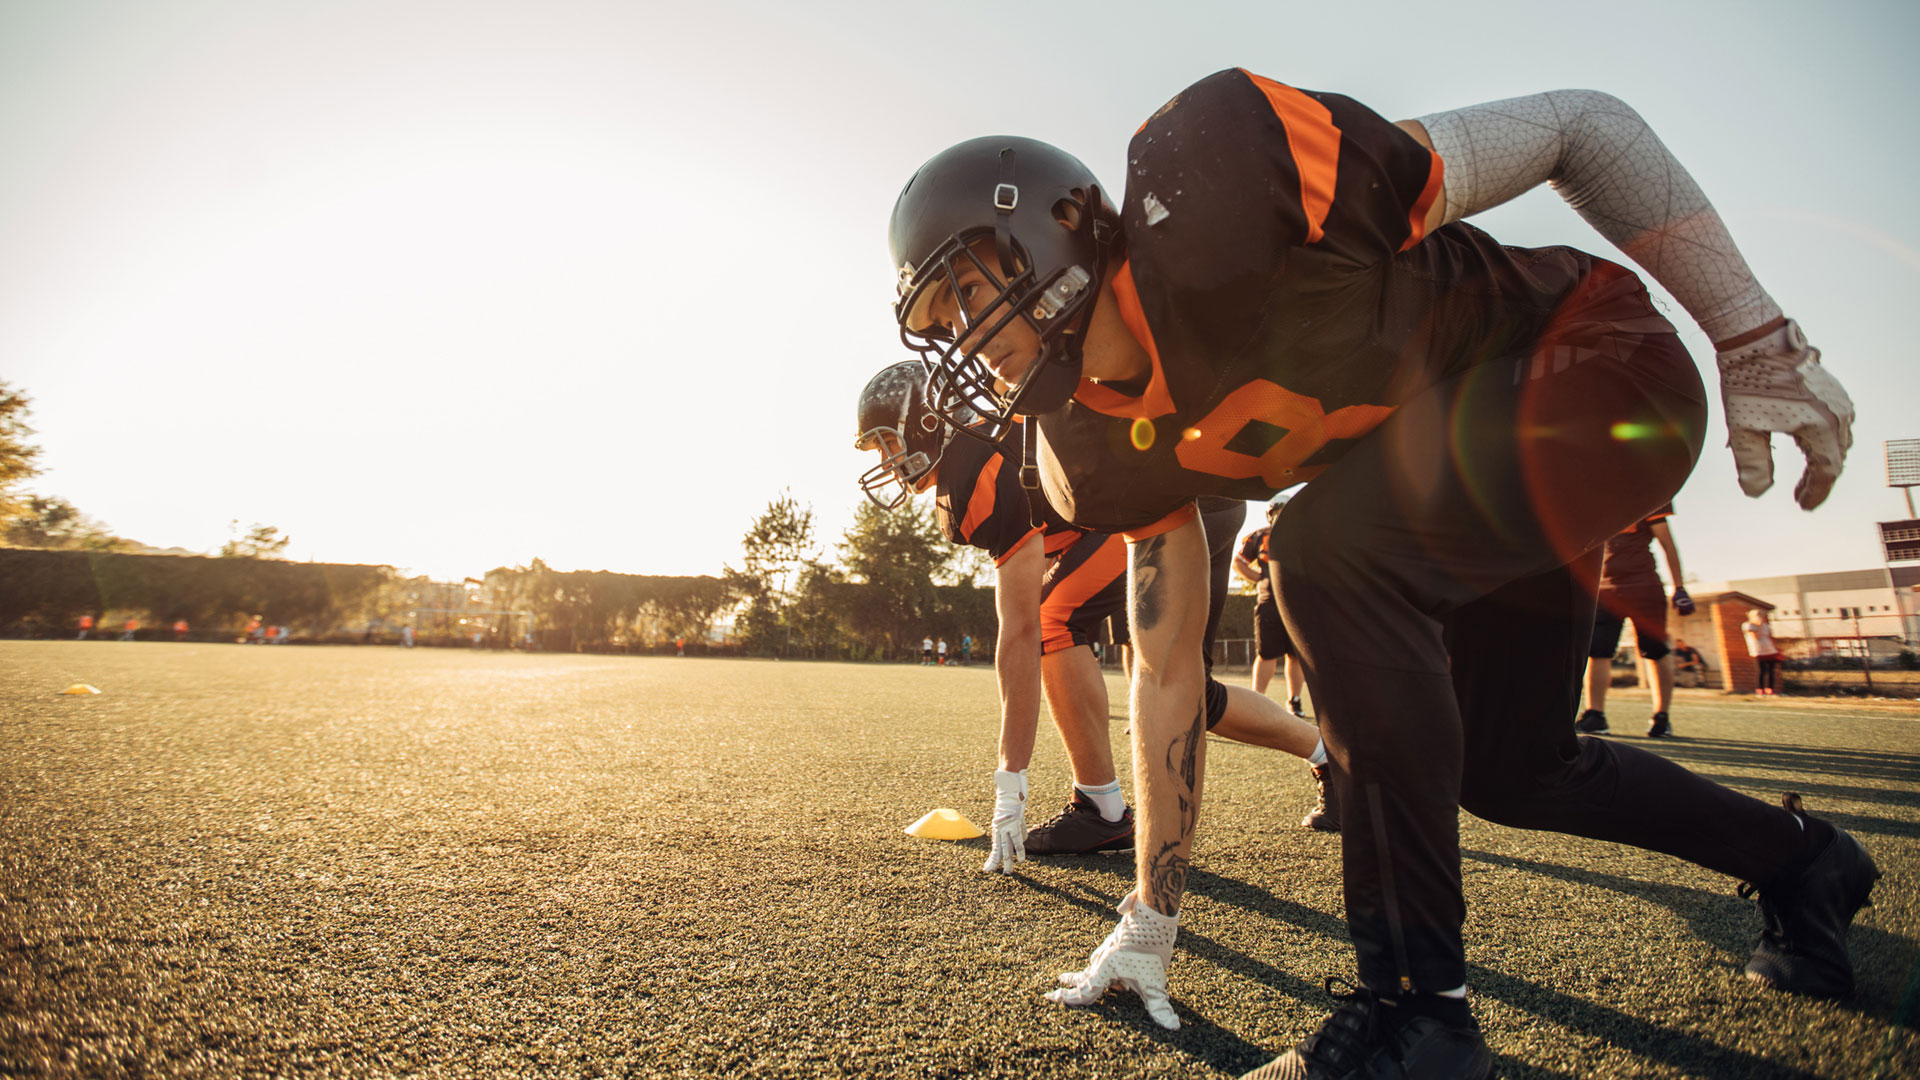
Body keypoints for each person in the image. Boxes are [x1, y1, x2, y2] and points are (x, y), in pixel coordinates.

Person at [887, 72, 1873, 1075]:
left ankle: (1416, 1021)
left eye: (966, 290)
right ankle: (1803, 863)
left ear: (1057, 224)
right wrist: (1153, 913)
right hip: (1478, 478)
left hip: (1600, 361)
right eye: (939, 319)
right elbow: (1167, 671)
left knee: (1324, 553)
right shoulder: (1091, 444)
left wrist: (1753, 336)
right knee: (1513, 769)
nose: (965, 339)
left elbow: (1582, 125)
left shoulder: (1219, 175)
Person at [856, 362, 1334, 870]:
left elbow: (1020, 630)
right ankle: (1334, 759)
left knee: (1054, 616)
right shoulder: (981, 449)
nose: (887, 460)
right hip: (1185, 498)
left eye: (887, 442)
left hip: (1170, 501)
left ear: (929, 422)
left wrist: (1009, 782)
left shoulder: (977, 466)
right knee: (1191, 692)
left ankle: (1101, 808)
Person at [1576, 504, 1695, 738]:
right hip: (1606, 590)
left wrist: (1679, 586)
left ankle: (1661, 716)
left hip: (1642, 586)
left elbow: (1667, 543)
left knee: (1655, 650)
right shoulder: (1595, 499)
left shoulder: (1649, 495)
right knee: (1597, 651)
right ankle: (1595, 715)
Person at [1234, 494, 1307, 716]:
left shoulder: (1304, 535)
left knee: (1295, 656)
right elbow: (1238, 561)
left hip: (1298, 603)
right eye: (1279, 511)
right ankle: (1257, 700)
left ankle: (1294, 700)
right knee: (1267, 654)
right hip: (1270, 602)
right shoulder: (1260, 535)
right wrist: (1256, 577)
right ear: (1271, 513)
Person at [1743, 608, 1785, 696]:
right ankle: (1760, 690)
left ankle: (1770, 690)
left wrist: (1776, 648)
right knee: (1762, 670)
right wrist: (1759, 625)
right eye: (1757, 615)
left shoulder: (1765, 625)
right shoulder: (1748, 625)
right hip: (1758, 651)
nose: (1759, 617)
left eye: (1760, 615)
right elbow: (1755, 636)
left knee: (1771, 670)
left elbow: (1769, 637)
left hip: (1770, 650)